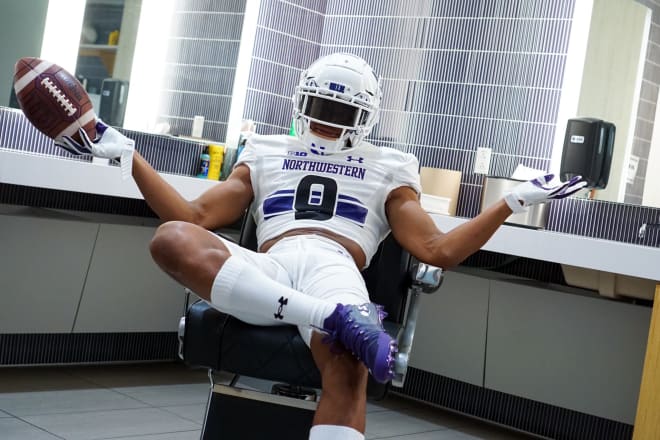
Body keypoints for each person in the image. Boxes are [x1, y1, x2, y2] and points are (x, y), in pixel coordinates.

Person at [56, 52, 585, 440]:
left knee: (349, 365)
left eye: (341, 111)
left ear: (366, 118)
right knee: (170, 239)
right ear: (301, 101)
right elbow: (192, 218)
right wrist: (127, 156)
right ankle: (330, 317)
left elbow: (437, 251)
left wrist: (510, 202)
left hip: (335, 268)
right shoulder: (264, 149)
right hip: (269, 266)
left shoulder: (389, 166)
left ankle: (333, 317)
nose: (326, 120)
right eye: (319, 105)